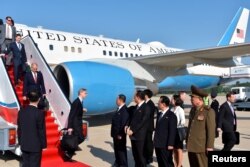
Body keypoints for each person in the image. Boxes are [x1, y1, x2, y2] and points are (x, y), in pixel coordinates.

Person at [186, 85, 215, 167]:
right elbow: (190, 127)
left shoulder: (208, 111)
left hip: (201, 147)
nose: (191, 100)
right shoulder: (193, 110)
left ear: (199, 99)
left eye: (193, 98)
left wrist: (210, 146)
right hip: (191, 146)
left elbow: (211, 131)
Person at [17, 90, 47, 167]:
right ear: (39, 99)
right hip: (35, 146)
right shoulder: (39, 113)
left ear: (28, 99)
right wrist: (44, 145)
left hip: (24, 144)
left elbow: (19, 129)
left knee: (25, 164)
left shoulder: (21, 112)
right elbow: (41, 130)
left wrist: (20, 142)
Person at [125, 90, 150, 167]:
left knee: (141, 156)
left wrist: (133, 130)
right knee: (135, 155)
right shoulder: (136, 106)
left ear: (138, 97)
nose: (133, 98)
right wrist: (127, 125)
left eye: (134, 97)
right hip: (133, 135)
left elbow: (142, 122)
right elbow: (131, 118)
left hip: (140, 136)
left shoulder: (146, 107)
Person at [154, 96, 177, 167]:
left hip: (166, 144)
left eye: (159, 102)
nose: (158, 103)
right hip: (158, 143)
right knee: (160, 162)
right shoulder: (159, 114)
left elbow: (172, 131)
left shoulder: (171, 115)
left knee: (167, 163)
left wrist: (170, 144)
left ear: (163, 104)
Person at [66, 88, 87, 159]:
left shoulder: (80, 101)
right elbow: (71, 115)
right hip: (75, 124)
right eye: (85, 93)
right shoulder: (76, 102)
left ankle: (71, 149)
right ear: (81, 93)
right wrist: (70, 127)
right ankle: (69, 152)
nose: (86, 95)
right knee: (81, 138)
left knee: (79, 138)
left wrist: (82, 109)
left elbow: (77, 111)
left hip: (78, 123)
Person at [111, 94, 129, 167]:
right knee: (117, 150)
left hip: (119, 135)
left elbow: (123, 123)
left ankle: (123, 164)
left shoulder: (124, 110)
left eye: (117, 99)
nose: (116, 100)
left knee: (121, 151)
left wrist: (120, 134)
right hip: (116, 134)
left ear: (120, 100)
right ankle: (118, 162)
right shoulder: (119, 108)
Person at [171, 95, 185, 167]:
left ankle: (179, 165)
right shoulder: (172, 109)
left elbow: (183, 121)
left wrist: (175, 123)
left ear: (176, 100)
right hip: (172, 131)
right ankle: (175, 163)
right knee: (174, 149)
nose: (171, 100)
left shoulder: (180, 109)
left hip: (178, 131)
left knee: (179, 149)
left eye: (172, 99)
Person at [143, 89, 156, 164]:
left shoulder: (150, 104)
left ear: (146, 95)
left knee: (148, 143)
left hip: (148, 127)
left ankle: (149, 157)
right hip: (145, 127)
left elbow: (147, 116)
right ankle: (146, 155)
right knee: (145, 142)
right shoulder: (146, 103)